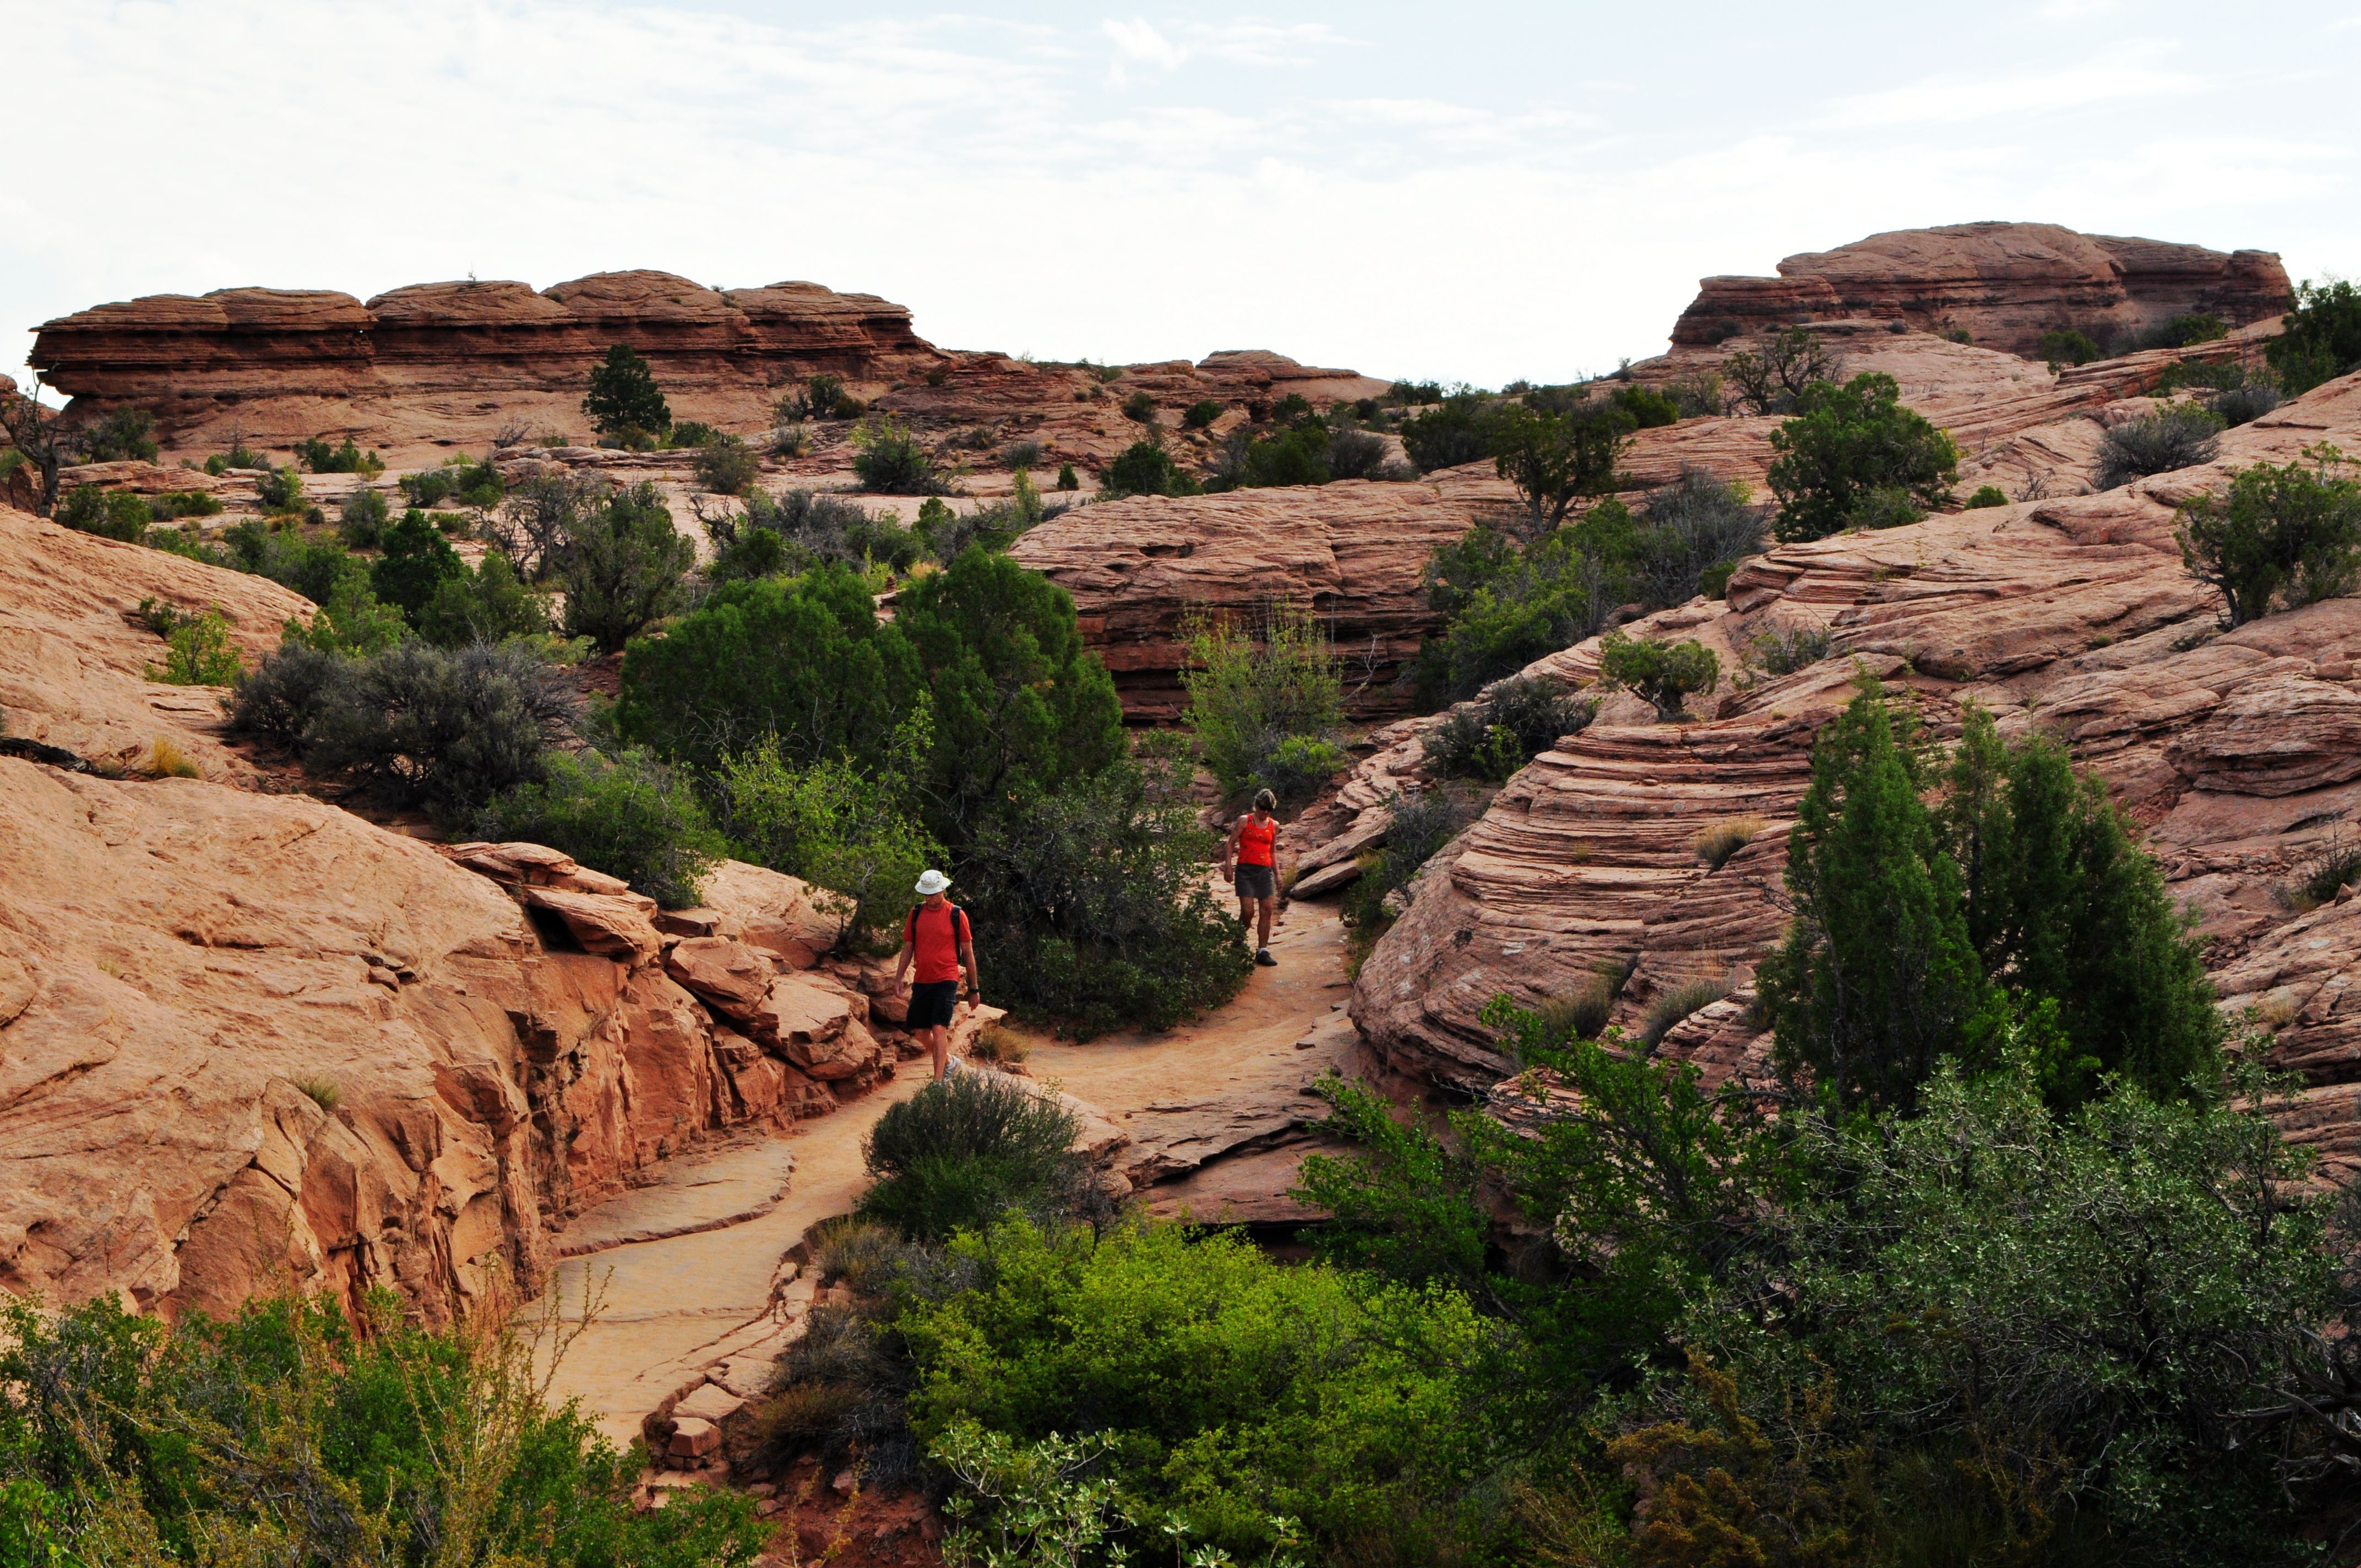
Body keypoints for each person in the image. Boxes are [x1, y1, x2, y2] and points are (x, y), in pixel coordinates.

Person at [892, 868, 980, 1080]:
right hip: (922, 979)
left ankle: (938, 1081)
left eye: (933, 893)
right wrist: (898, 977)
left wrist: (974, 988)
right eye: (926, 894)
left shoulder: (956, 914)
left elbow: (968, 953)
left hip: (947, 978)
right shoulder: (916, 913)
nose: (930, 898)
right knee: (920, 1032)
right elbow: (908, 947)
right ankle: (949, 1061)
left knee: (939, 1027)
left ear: (942, 890)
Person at [1220, 788, 1282, 967]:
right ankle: (1238, 938)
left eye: (1269, 809)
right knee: (1248, 911)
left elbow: (1273, 852)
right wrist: (1228, 867)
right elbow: (1231, 844)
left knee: (1267, 910)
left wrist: (1278, 875)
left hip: (1265, 871)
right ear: (1256, 805)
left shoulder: (1274, 825)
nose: (1265, 812)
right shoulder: (1245, 821)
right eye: (1263, 808)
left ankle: (1263, 951)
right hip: (1245, 871)